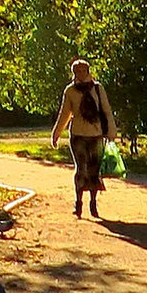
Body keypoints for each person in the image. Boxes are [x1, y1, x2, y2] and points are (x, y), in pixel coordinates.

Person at [49, 57, 116, 219]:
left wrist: (112, 133)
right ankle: (78, 202)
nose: (81, 73)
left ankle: (93, 202)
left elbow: (106, 110)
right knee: (82, 168)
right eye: (77, 71)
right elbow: (65, 113)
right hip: (78, 135)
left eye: (83, 70)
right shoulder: (70, 91)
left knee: (94, 170)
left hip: (96, 134)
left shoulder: (98, 88)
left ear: (88, 71)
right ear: (74, 73)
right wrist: (56, 133)